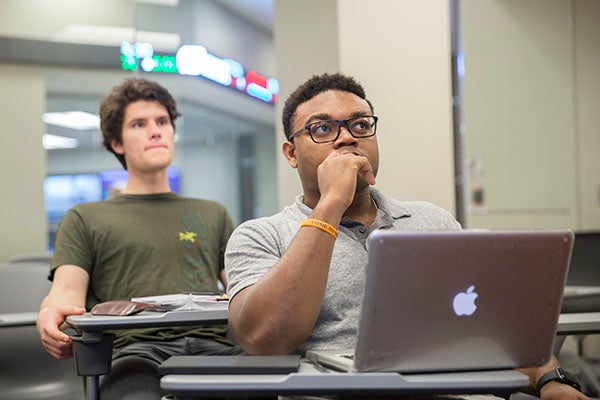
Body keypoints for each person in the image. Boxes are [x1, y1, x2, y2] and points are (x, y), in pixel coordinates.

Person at [224, 73, 588, 400]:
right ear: (291, 153)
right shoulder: (261, 235)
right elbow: (267, 340)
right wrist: (331, 205)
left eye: (360, 124)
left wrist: (549, 380)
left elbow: (499, 329)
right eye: (322, 129)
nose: (347, 138)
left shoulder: (433, 221)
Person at [37, 78, 241, 399]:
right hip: (136, 352)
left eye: (162, 121)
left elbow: (246, 290)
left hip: (216, 347)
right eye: (138, 124)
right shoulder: (85, 217)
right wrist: (50, 312)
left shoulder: (212, 213)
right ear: (117, 143)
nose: (155, 130)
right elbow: (65, 293)